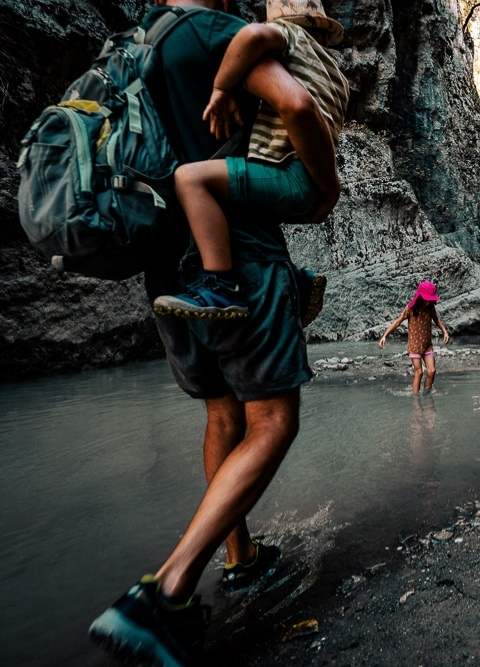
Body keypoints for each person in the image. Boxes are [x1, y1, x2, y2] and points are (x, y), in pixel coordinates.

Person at [87, 1, 341, 664]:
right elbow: (298, 105)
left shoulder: (142, 46)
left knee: (223, 412)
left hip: (170, 271)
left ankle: (244, 557)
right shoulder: (216, 33)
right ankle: (166, 592)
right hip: (239, 256)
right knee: (274, 421)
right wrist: (324, 187)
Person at [153, 0, 350, 320]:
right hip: (302, 182)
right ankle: (298, 281)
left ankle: (220, 286)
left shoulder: (290, 36)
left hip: (288, 173)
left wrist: (221, 87)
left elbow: (252, 36)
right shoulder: (335, 74)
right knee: (244, 213)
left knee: (189, 179)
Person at [378, 281, 451, 395]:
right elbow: (397, 322)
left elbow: (436, 320)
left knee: (432, 371)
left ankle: (426, 395)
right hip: (415, 346)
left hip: (427, 345)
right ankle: (416, 401)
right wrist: (384, 336)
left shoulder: (430, 307)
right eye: (427, 299)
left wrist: (444, 331)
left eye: (430, 299)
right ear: (420, 297)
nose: (429, 301)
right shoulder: (411, 309)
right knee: (419, 372)